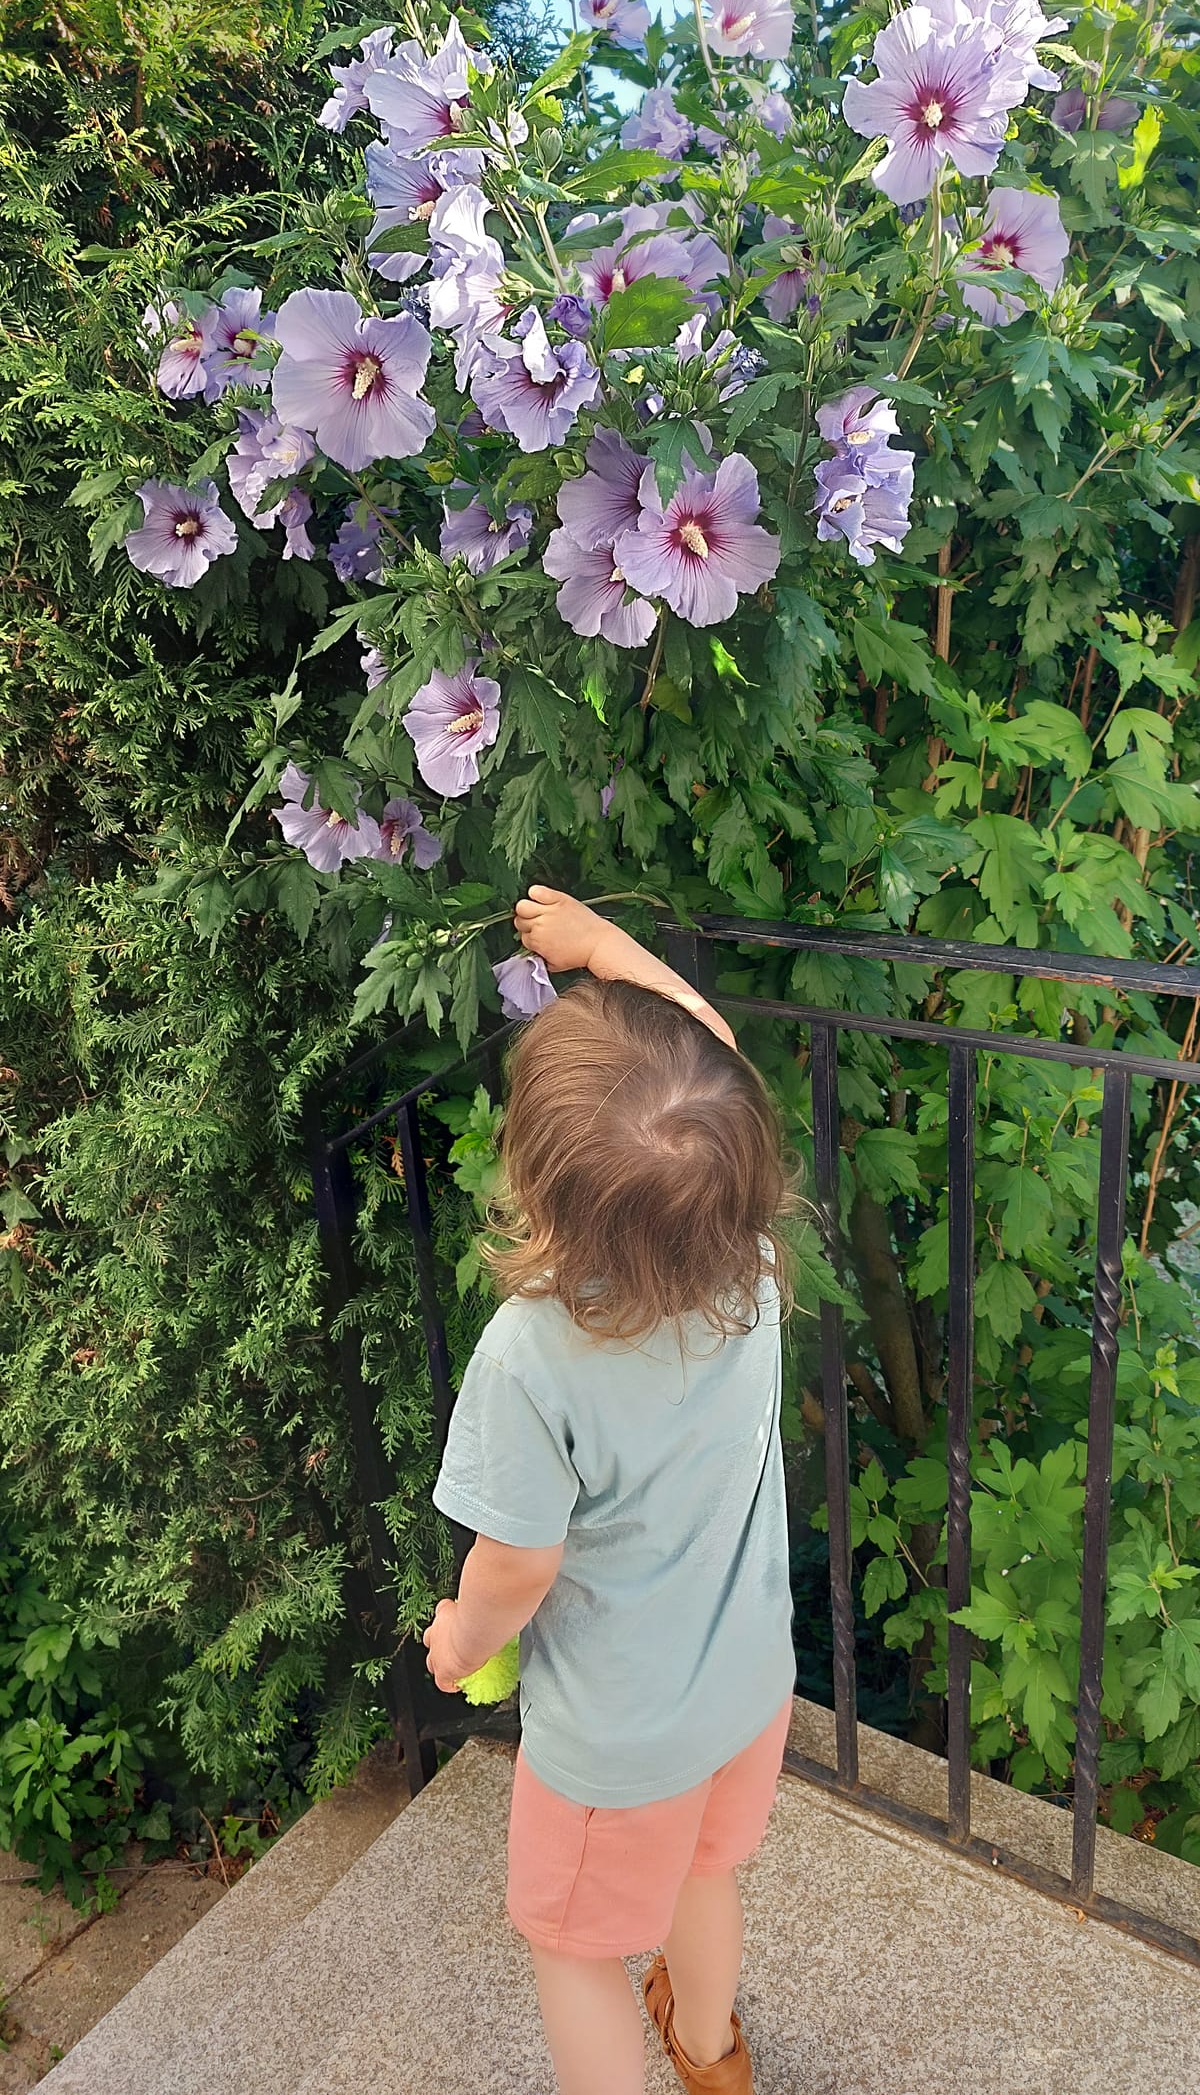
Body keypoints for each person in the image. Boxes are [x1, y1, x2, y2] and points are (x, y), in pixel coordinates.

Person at [422, 885, 797, 2095]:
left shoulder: (531, 1359)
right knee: (704, 1878)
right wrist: (604, 950)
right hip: (747, 1684)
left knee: (572, 1949)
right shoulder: (749, 1257)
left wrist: (458, 1637)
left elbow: (519, 1566)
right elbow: (709, 1054)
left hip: (620, 1744)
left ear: (540, 1187)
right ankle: (709, 2053)